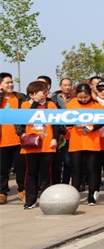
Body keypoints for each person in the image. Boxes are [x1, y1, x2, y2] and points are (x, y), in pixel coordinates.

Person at [17, 81, 61, 209]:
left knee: (46, 173)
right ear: (32, 94)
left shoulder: (51, 105)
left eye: (46, 91)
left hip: (47, 144)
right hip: (31, 145)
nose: (45, 94)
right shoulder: (25, 105)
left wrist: (55, 138)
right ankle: (30, 200)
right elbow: (26, 119)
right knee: (31, 172)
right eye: (42, 92)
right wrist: (35, 102)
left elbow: (56, 123)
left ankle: (46, 198)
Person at [66, 83, 103, 206]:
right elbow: (66, 121)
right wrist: (73, 122)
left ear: (90, 95)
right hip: (76, 141)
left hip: (92, 141)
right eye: (80, 97)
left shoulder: (96, 105)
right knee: (76, 170)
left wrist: (93, 127)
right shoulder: (71, 104)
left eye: (85, 97)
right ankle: (74, 195)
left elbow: (102, 121)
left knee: (92, 169)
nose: (83, 99)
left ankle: (92, 195)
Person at [0, 72, 27, 204]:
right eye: (7, 82)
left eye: (11, 82)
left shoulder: (20, 97)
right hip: (2, 140)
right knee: (2, 169)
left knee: (21, 167)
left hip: (18, 139)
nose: (11, 84)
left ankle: (22, 190)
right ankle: (2, 192)